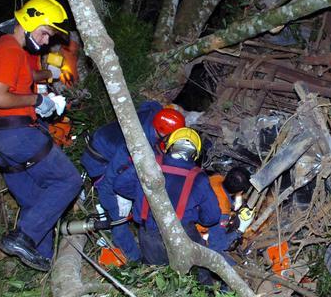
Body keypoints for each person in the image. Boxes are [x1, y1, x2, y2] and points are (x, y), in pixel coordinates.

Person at [0, 0, 82, 271]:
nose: (47, 39)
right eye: (45, 32)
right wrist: (37, 102)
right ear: (30, 21)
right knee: (68, 181)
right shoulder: (11, 50)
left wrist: (47, 77)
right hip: (17, 135)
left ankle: (42, 260)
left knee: (36, 203)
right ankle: (23, 236)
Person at [80, 103, 185, 261]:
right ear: (163, 133)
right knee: (119, 216)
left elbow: (151, 105)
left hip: (106, 143)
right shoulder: (135, 145)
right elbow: (112, 176)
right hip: (100, 162)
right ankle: (134, 258)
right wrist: (113, 199)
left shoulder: (155, 114)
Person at [112, 127, 221, 265]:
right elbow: (212, 216)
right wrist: (198, 216)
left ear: (169, 145)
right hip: (183, 234)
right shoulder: (199, 178)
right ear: (195, 154)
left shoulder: (149, 163)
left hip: (149, 233)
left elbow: (120, 185)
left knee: (157, 273)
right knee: (197, 271)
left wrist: (141, 194)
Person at [200, 167, 253, 254]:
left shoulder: (215, 178)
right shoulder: (222, 212)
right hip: (192, 231)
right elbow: (217, 245)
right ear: (240, 192)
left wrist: (231, 203)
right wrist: (240, 230)